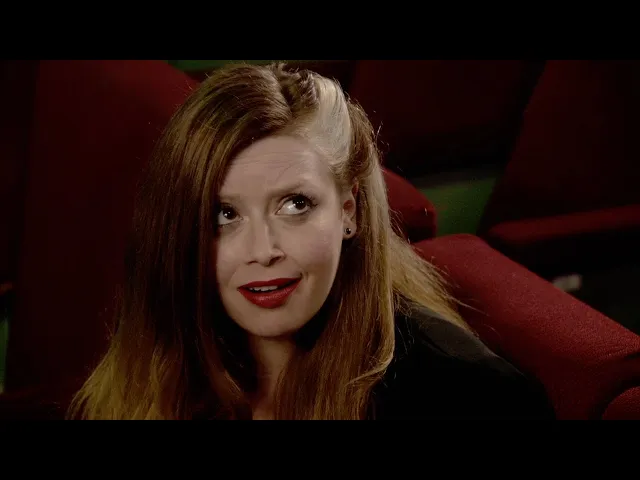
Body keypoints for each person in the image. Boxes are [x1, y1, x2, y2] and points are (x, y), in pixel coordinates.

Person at [67, 62, 555, 420]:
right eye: (224, 214)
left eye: (294, 205)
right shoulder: (168, 343)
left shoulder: (474, 397)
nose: (263, 250)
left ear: (349, 211)